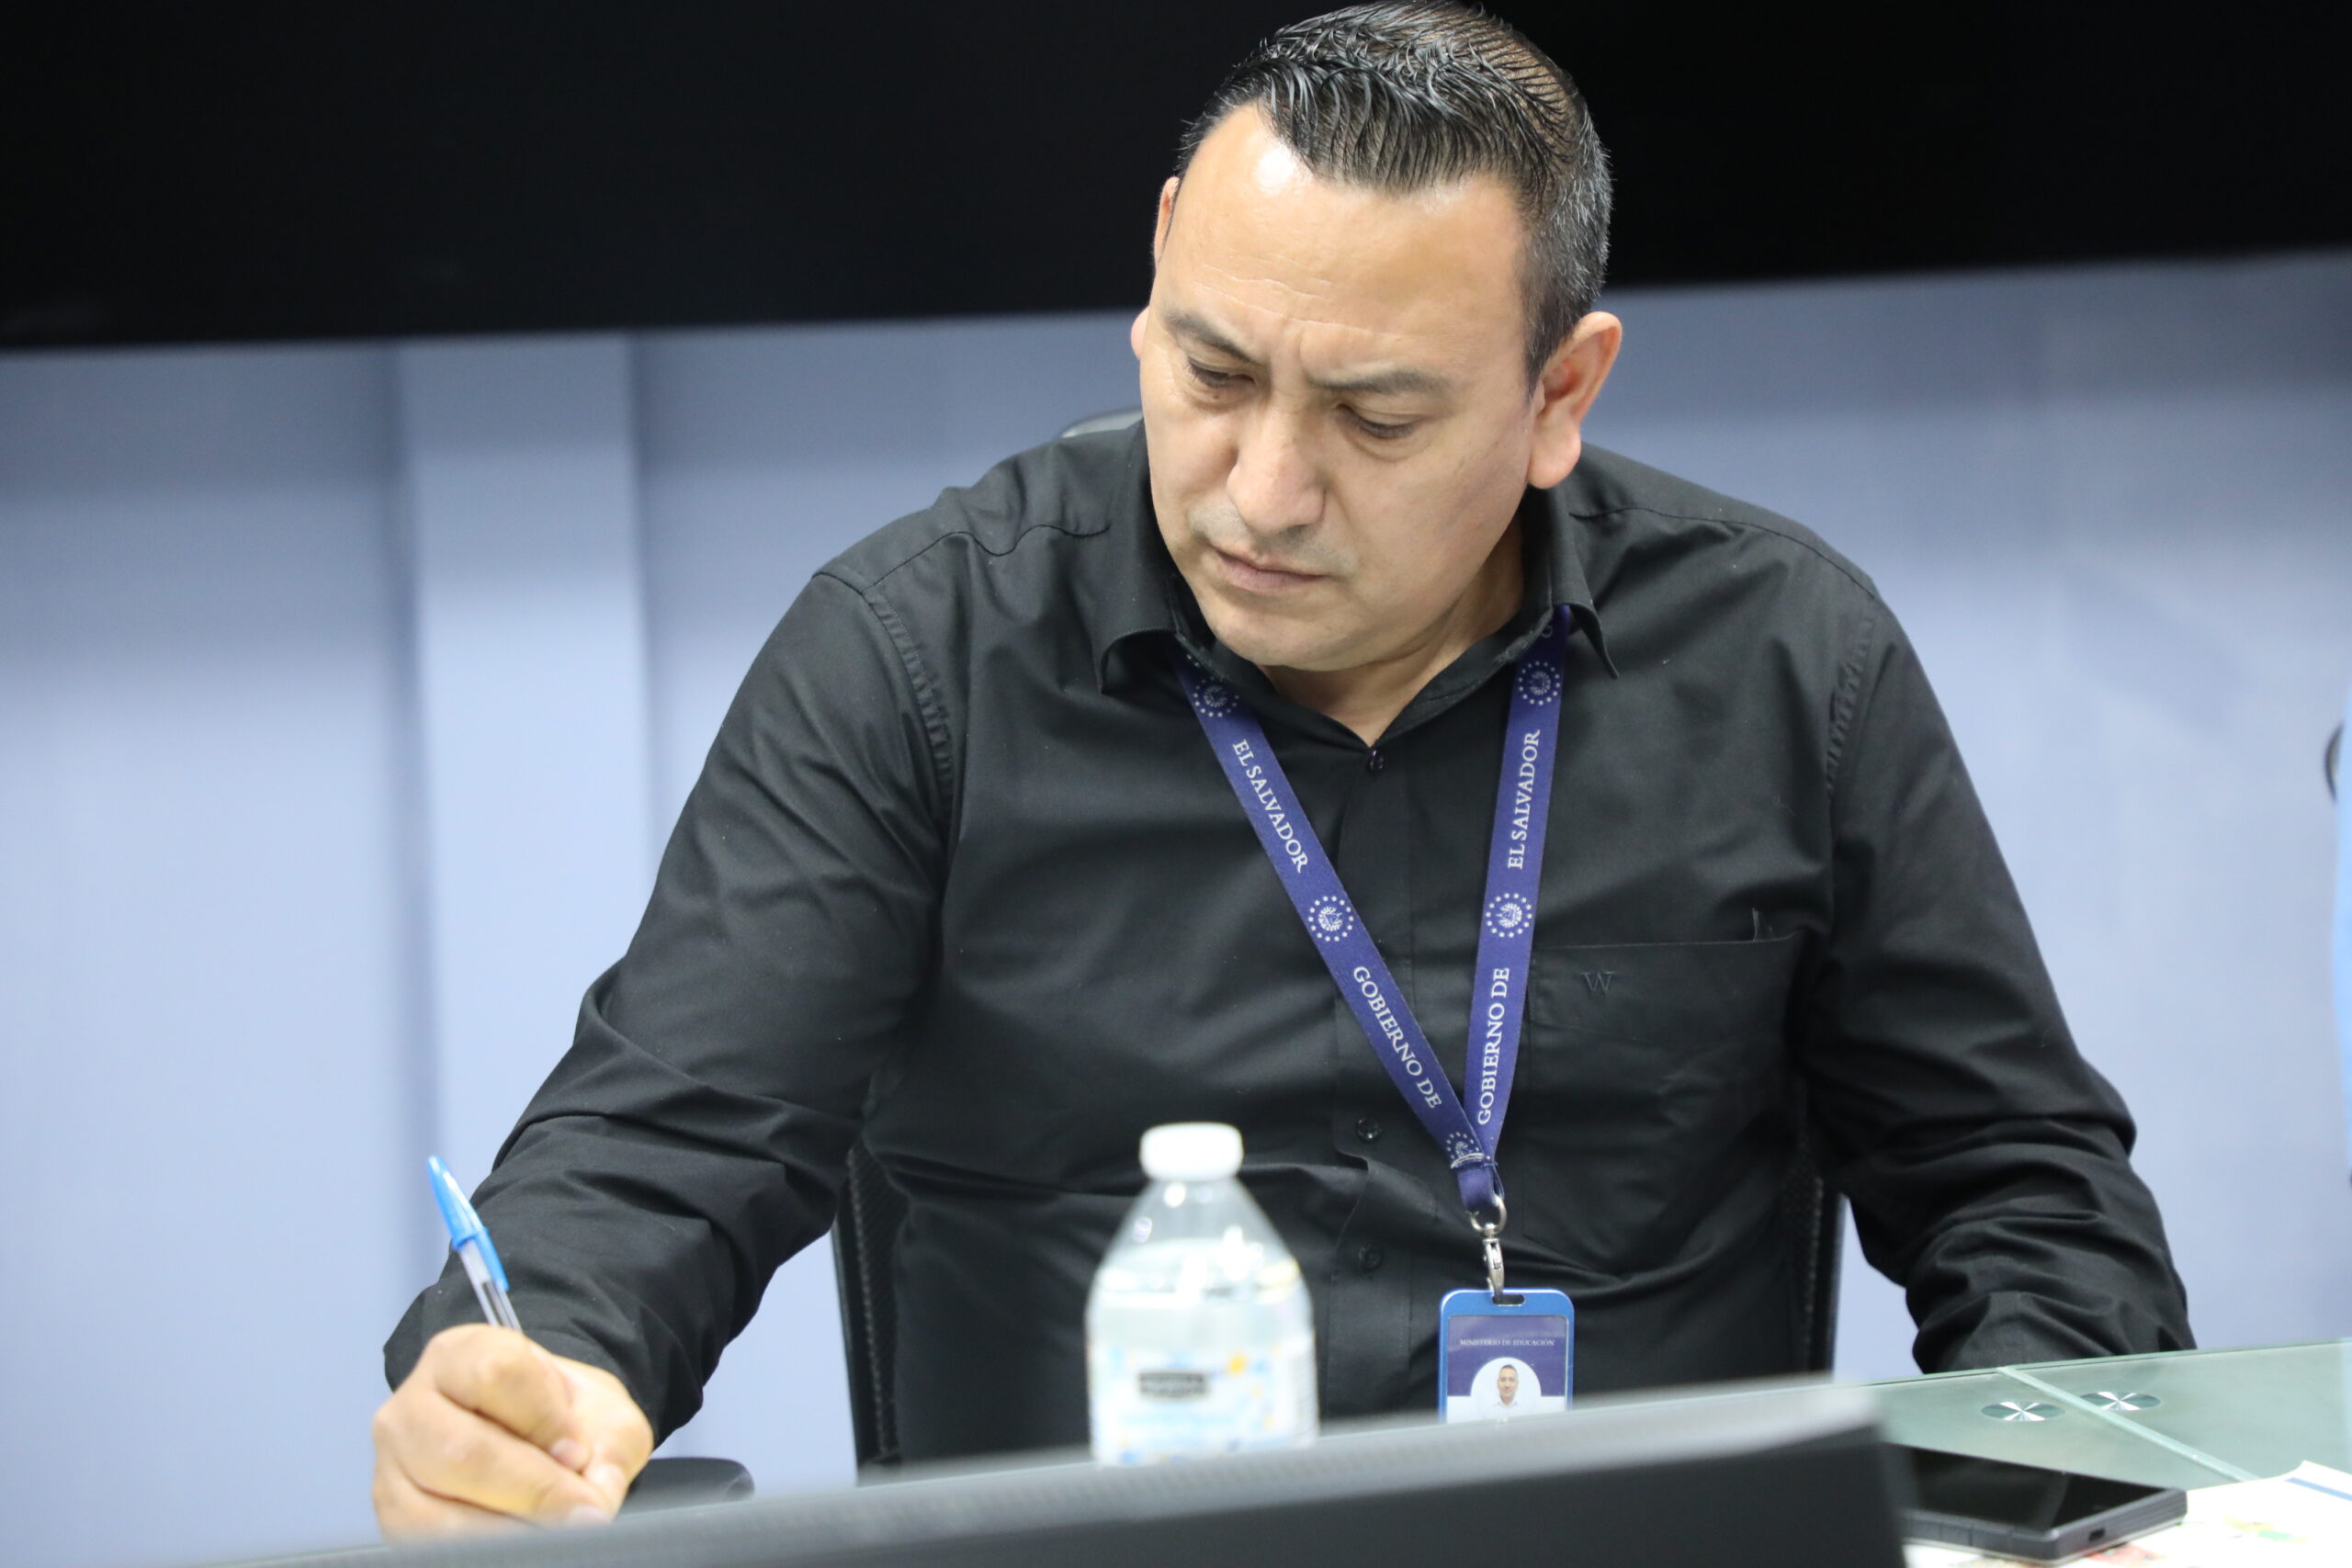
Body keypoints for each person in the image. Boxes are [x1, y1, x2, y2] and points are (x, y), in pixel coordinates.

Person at [370, 2, 2191, 1536]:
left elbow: (2018, 1189)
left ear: (1559, 393)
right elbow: (663, 1142)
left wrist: (2023, 1497)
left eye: (1375, 416)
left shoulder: (1783, 661)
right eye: (1212, 371)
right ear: (1159, 263)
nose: (1260, 491)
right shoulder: (919, 660)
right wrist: (528, 1376)